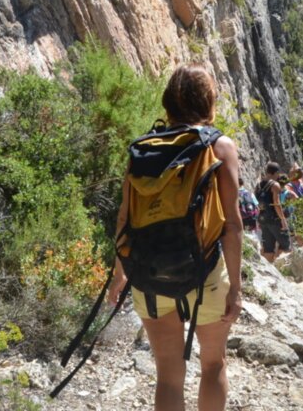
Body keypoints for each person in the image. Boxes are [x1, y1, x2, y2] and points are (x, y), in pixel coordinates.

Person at [109, 66, 242, 411]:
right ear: (209, 102)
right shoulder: (220, 147)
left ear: (167, 104)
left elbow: (124, 218)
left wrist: (118, 275)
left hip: (149, 273)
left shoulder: (143, 151)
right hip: (207, 271)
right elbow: (233, 226)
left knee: (168, 374)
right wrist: (237, 289)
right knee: (213, 364)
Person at [254, 161, 291, 262]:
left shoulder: (258, 185)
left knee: (268, 248)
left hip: (263, 220)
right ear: (276, 172)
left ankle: (269, 272)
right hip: (275, 220)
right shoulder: (275, 185)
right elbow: (276, 204)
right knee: (285, 245)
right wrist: (283, 219)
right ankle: (281, 269)